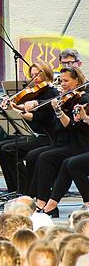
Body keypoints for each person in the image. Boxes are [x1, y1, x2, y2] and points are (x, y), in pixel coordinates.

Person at [31, 67, 89, 217]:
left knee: (47, 158)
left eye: (66, 81)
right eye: (61, 80)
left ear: (77, 81)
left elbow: (71, 127)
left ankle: (44, 203)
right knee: (39, 156)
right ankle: (45, 203)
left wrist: (59, 111)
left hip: (79, 143)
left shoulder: (83, 99)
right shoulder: (65, 98)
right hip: (65, 142)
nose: (62, 84)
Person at [0, 61, 59, 193]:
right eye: (32, 75)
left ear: (47, 74)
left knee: (8, 150)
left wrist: (17, 112)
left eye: (38, 75)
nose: (34, 78)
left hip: (47, 137)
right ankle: (14, 188)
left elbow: (36, 116)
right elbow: (24, 106)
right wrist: (11, 107)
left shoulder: (52, 93)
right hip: (34, 134)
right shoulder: (35, 92)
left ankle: (26, 188)